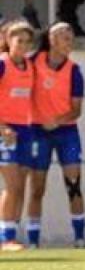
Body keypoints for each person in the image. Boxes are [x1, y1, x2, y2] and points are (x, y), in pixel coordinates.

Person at [24, 23, 85, 249]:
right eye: (64, 37)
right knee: (37, 186)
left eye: (71, 38)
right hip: (38, 132)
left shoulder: (74, 70)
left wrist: (57, 121)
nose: (69, 42)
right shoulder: (33, 63)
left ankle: (80, 237)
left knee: (74, 183)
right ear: (52, 39)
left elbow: (76, 109)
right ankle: (32, 240)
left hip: (66, 132)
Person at [0, 20, 32, 251]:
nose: (22, 46)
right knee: (11, 185)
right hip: (6, 129)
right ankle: (5, 238)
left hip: (25, 128)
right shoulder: (2, 65)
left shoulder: (30, 66)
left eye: (26, 41)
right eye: (18, 40)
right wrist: (3, 128)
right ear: (8, 41)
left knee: (19, 185)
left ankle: (10, 232)